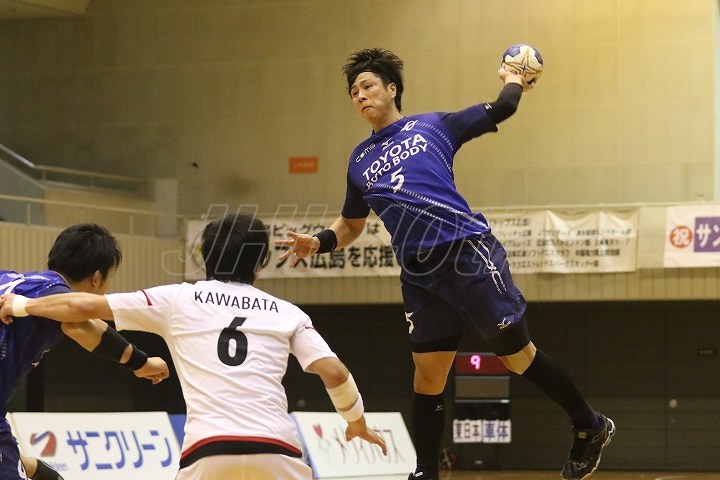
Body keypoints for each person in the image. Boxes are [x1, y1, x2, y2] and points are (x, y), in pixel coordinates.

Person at [274, 48, 615, 480]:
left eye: (367, 86)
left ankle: (590, 425)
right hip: (419, 276)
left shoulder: (433, 126)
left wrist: (514, 77)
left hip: (465, 252)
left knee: (517, 357)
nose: (359, 95)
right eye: (353, 91)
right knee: (427, 378)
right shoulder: (359, 161)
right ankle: (425, 472)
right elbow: (351, 225)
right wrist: (318, 242)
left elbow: (503, 107)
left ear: (391, 89)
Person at [0, 213, 388, 480]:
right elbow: (334, 372)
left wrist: (21, 306)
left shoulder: (179, 298)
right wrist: (356, 423)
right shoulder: (288, 312)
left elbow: (80, 310)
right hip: (278, 450)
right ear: (260, 264)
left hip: (207, 451)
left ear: (203, 257)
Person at [0, 223, 170, 480]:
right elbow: (79, 320)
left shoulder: (8, 279)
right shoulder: (53, 294)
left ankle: (28, 466)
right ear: (97, 278)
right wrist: (140, 363)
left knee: (23, 466)